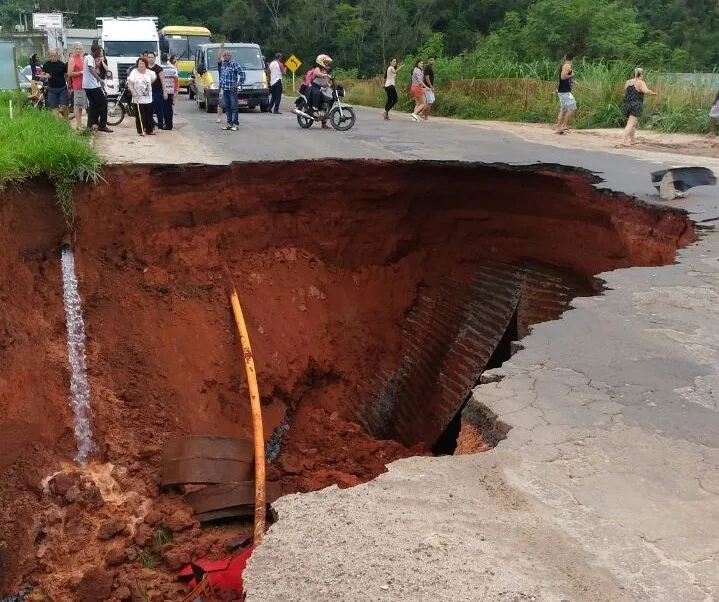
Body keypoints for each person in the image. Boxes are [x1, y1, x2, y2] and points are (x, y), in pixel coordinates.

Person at [620, 68, 657, 147]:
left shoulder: (628, 82)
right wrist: (653, 93)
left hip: (627, 104)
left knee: (633, 124)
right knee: (630, 124)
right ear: (641, 74)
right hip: (636, 104)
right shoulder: (640, 82)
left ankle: (632, 140)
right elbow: (645, 91)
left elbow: (625, 92)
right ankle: (624, 141)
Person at [83, 45, 112, 132]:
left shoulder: (90, 58)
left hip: (89, 85)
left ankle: (91, 124)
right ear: (95, 51)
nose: (100, 53)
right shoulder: (89, 58)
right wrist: (100, 80)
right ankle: (102, 125)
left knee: (93, 106)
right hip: (92, 86)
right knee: (103, 104)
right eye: (99, 51)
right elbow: (91, 70)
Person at [127, 57, 156, 136]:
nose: (141, 65)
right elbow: (130, 83)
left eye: (143, 63)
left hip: (148, 98)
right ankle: (140, 131)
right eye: (140, 63)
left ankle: (149, 130)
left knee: (149, 115)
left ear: (146, 64)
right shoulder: (134, 72)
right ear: (137, 64)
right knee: (140, 116)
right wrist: (133, 91)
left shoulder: (150, 73)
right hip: (138, 99)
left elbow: (153, 80)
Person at [219, 48, 246, 131]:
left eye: (228, 55)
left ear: (231, 56)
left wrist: (238, 83)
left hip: (232, 89)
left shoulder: (234, 64)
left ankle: (235, 124)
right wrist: (220, 85)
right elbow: (222, 76)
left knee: (234, 106)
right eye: (225, 55)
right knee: (227, 107)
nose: (226, 56)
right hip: (225, 88)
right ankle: (229, 123)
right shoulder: (223, 64)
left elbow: (242, 73)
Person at [40, 49, 68, 119]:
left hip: (62, 88)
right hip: (52, 89)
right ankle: (57, 123)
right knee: (54, 107)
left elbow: (66, 75)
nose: (53, 57)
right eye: (51, 56)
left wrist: (69, 84)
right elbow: (41, 75)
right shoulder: (46, 65)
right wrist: (45, 76)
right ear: (49, 56)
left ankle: (67, 119)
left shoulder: (62, 64)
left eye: (54, 56)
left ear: (57, 56)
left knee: (64, 105)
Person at [309, 54, 333, 128]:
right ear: (321, 62)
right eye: (325, 62)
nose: (327, 64)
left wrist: (331, 85)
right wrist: (326, 75)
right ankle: (314, 109)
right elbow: (318, 74)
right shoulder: (317, 69)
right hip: (314, 87)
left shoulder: (325, 71)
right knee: (318, 93)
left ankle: (324, 124)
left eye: (327, 62)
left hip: (321, 88)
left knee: (326, 103)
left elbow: (326, 83)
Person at [146, 51, 167, 129]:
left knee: (159, 110)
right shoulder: (145, 68)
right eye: (149, 57)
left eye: (152, 57)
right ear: (147, 58)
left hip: (157, 91)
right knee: (148, 109)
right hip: (147, 92)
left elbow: (163, 81)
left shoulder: (159, 68)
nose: (151, 59)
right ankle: (150, 126)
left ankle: (160, 126)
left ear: (155, 58)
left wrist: (165, 92)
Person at [555, 53, 575, 134]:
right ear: (572, 58)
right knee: (572, 107)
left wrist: (572, 81)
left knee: (563, 110)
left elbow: (564, 78)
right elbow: (563, 77)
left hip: (563, 90)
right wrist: (572, 75)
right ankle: (563, 126)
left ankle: (559, 128)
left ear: (565, 57)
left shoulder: (567, 66)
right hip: (564, 91)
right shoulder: (567, 66)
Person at [68, 43, 86, 129]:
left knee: (81, 105)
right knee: (77, 105)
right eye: (77, 49)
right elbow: (69, 73)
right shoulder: (72, 59)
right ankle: (78, 124)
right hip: (77, 85)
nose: (78, 50)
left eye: (80, 49)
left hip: (84, 85)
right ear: (73, 49)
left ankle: (80, 123)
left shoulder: (82, 58)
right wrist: (81, 72)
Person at [160, 53, 177, 130]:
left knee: (164, 109)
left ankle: (167, 125)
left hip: (163, 91)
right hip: (171, 91)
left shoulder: (160, 68)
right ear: (167, 59)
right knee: (169, 108)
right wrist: (175, 90)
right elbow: (176, 79)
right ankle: (170, 124)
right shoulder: (172, 68)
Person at [422, 56, 436, 120]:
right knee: (430, 101)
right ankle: (422, 114)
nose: (432, 61)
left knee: (431, 101)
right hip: (427, 87)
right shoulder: (427, 67)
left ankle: (425, 116)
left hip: (429, 87)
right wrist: (431, 87)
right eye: (430, 60)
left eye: (433, 60)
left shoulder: (430, 67)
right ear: (428, 61)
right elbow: (427, 78)